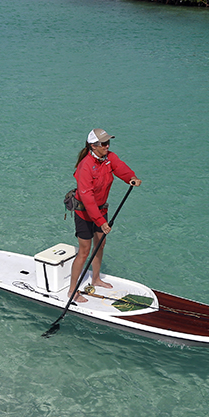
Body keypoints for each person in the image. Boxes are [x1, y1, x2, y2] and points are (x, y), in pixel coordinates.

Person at [69, 128, 142, 302]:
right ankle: (73, 291)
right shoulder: (85, 167)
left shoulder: (109, 158)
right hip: (85, 213)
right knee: (84, 252)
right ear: (93, 146)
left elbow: (120, 167)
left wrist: (131, 177)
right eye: (104, 143)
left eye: (108, 142)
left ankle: (95, 278)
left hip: (101, 210)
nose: (107, 146)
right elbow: (87, 198)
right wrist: (101, 222)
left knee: (100, 245)